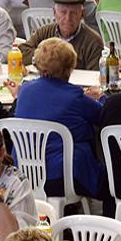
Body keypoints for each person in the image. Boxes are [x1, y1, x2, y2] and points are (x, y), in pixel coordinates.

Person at [13, 38, 105, 199]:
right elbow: (103, 116)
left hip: (23, 174)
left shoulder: (25, 91)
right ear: (70, 67)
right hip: (62, 176)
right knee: (110, 178)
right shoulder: (74, 97)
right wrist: (101, 96)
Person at [21, 0, 103, 71]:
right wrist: (45, 56)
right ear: (54, 12)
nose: (68, 18)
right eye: (63, 12)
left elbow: (94, 76)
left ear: (82, 14)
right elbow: (22, 52)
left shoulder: (93, 41)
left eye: (73, 13)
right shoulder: (45, 32)